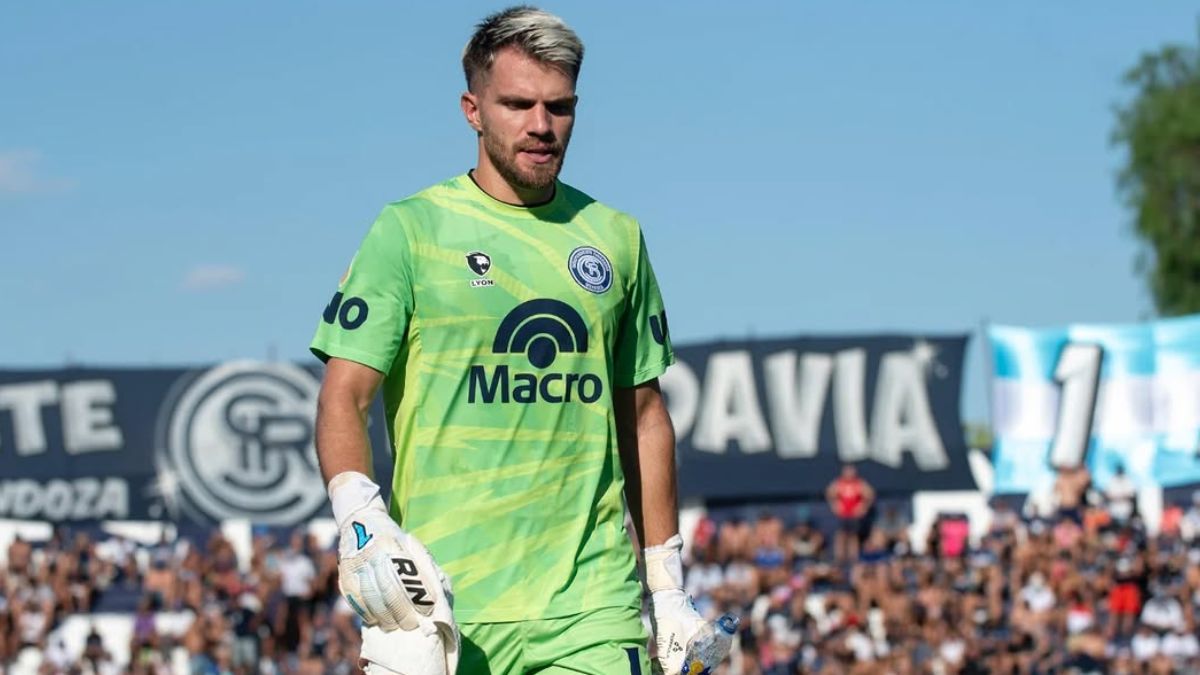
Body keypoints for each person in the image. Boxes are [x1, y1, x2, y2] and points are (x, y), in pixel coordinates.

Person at [309, 7, 722, 674]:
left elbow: (643, 415)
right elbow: (343, 395)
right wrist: (361, 522)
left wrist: (667, 586)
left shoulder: (616, 236)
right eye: (518, 104)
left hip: (593, 607)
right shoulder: (409, 231)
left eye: (558, 107)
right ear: (472, 110)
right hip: (445, 609)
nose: (540, 125)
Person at [826, 464, 874, 563]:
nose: (849, 473)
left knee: (853, 536)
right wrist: (834, 504)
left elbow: (870, 494)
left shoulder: (859, 483)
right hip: (842, 514)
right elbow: (829, 493)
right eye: (847, 471)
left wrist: (863, 506)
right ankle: (839, 558)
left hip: (854, 514)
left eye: (851, 471)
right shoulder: (839, 483)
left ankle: (853, 558)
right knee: (841, 535)